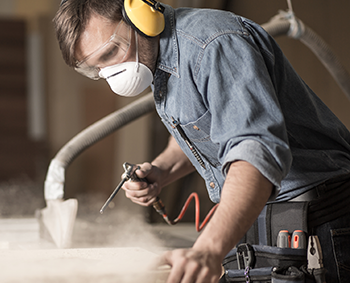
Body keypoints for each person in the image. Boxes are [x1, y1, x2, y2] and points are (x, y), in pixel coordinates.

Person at [53, 0, 350, 282]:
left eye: (110, 53)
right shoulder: (161, 59)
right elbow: (201, 127)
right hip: (269, 219)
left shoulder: (213, 45)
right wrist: (161, 170)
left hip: (319, 225)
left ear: (140, 15)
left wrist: (208, 249)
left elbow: (256, 153)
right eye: (96, 69)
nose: (110, 72)